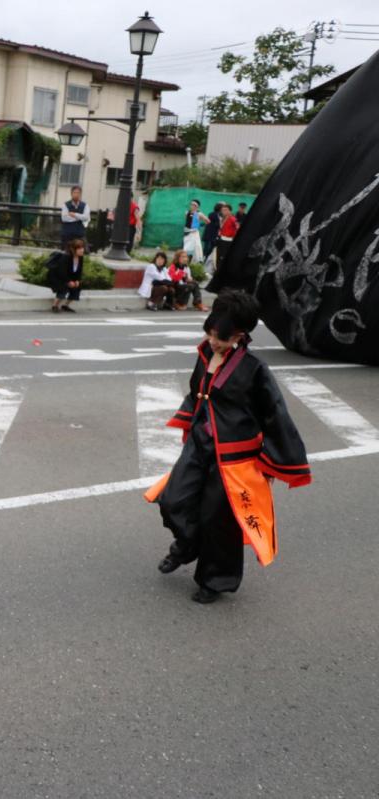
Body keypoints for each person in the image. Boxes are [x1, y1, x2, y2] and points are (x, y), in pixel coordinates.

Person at [145, 290, 311, 603]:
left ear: (238, 335)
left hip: (235, 458)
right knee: (173, 500)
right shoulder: (205, 354)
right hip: (199, 443)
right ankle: (187, 544)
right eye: (209, 332)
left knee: (218, 520)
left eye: (219, 337)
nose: (212, 340)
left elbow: (275, 416)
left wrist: (271, 462)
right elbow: (196, 394)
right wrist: (188, 425)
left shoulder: (254, 369)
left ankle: (215, 580)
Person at [46, 238, 85, 313]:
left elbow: (79, 271)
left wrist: (77, 280)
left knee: (77, 287)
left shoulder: (81, 258)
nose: (82, 250)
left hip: (68, 277)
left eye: (82, 248)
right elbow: (61, 272)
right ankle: (55, 305)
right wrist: (69, 281)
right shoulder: (66, 257)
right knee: (64, 287)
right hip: (57, 277)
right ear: (73, 249)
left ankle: (65, 305)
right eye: (79, 248)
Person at [215, 202, 239, 271]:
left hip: (228, 241)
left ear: (229, 211)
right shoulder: (223, 219)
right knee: (218, 256)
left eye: (225, 210)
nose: (223, 212)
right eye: (222, 210)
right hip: (221, 239)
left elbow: (237, 227)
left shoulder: (233, 219)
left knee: (224, 257)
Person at [200, 202, 222, 268]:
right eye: (222, 208)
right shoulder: (213, 214)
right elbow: (216, 224)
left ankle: (205, 258)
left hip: (212, 234)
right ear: (219, 208)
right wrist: (221, 224)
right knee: (207, 247)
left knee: (210, 247)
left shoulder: (217, 215)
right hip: (210, 234)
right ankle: (204, 258)